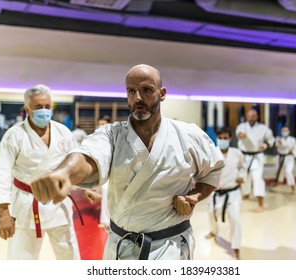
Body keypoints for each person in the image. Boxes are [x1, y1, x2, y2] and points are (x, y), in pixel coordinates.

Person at [30, 64, 224, 260]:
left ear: (162, 93)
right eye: (131, 91)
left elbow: (213, 172)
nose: (137, 97)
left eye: (146, 90)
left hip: (170, 247)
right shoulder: (112, 134)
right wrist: (64, 173)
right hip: (121, 247)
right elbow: (87, 156)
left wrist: (195, 196)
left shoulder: (189, 135)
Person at [0, 84, 80, 260]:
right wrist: (4, 214)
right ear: (27, 109)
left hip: (58, 202)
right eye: (38, 107)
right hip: (27, 203)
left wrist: (87, 188)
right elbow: (3, 174)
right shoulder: (14, 135)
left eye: (48, 107)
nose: (44, 111)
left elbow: (76, 163)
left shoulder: (63, 132)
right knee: (21, 259)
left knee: (69, 256)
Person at [205, 127, 245, 260]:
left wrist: (241, 176)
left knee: (234, 217)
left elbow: (242, 167)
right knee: (211, 213)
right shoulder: (212, 153)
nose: (223, 140)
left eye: (225, 138)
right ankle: (214, 231)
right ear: (217, 139)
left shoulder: (237, 153)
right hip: (216, 192)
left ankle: (236, 246)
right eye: (220, 138)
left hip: (233, 192)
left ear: (230, 138)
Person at [235, 109, 275, 212]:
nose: (251, 118)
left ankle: (260, 203)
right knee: (244, 177)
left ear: (257, 117)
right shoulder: (242, 126)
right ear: (246, 117)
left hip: (257, 156)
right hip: (244, 156)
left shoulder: (263, 128)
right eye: (249, 116)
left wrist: (265, 145)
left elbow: (271, 140)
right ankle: (246, 194)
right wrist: (241, 135)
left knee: (257, 178)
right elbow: (239, 133)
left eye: (253, 116)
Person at [274, 126, 296, 194]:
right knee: (278, 171)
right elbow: (279, 145)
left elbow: (295, 148)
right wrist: (282, 144)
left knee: (288, 171)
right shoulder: (278, 139)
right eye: (283, 131)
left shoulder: (292, 139)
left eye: (286, 131)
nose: (284, 132)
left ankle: (292, 185)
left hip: (289, 158)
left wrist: (293, 154)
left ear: (289, 132)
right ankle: (278, 182)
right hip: (280, 157)